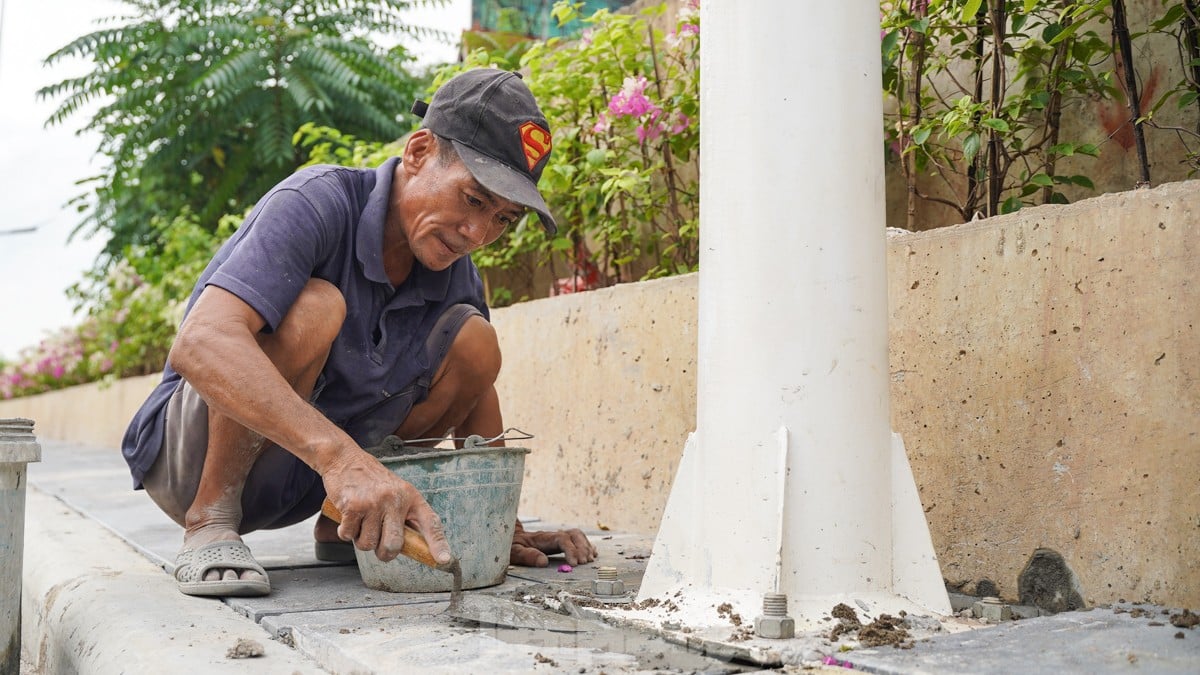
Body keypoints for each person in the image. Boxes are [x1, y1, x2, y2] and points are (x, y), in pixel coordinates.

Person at [121, 68, 597, 597]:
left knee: (475, 339)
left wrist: (502, 528)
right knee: (314, 308)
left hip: (306, 478)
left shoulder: (454, 272)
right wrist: (341, 459)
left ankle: (346, 526)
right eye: (474, 199)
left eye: (504, 219)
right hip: (187, 460)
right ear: (418, 153)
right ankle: (210, 521)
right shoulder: (316, 201)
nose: (479, 233)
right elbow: (200, 343)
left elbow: (477, 389)